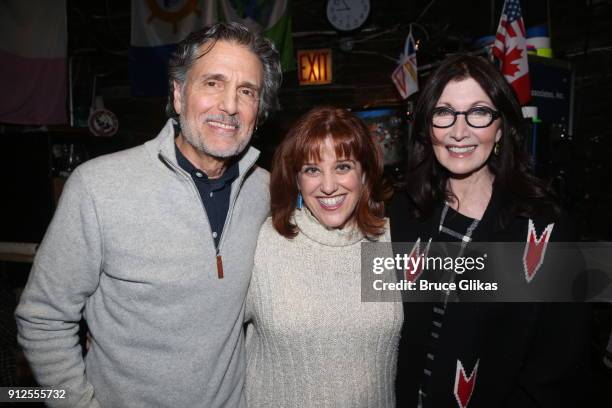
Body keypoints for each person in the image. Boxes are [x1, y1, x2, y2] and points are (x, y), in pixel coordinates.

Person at [15, 22, 281, 407]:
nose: (229, 105)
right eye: (212, 83)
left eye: (247, 91)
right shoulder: (98, 187)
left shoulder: (265, 191)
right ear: (177, 94)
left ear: (258, 110)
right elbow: (43, 319)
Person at [390, 54, 590, 407]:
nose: (459, 131)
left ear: (501, 127)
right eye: (444, 112)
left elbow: (558, 367)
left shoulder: (543, 230)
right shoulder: (406, 214)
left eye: (479, 112)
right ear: (427, 127)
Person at [244, 107, 403, 407]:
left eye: (343, 166)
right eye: (312, 170)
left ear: (364, 172)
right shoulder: (266, 242)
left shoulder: (385, 240)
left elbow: (492, 282)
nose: (328, 186)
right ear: (297, 179)